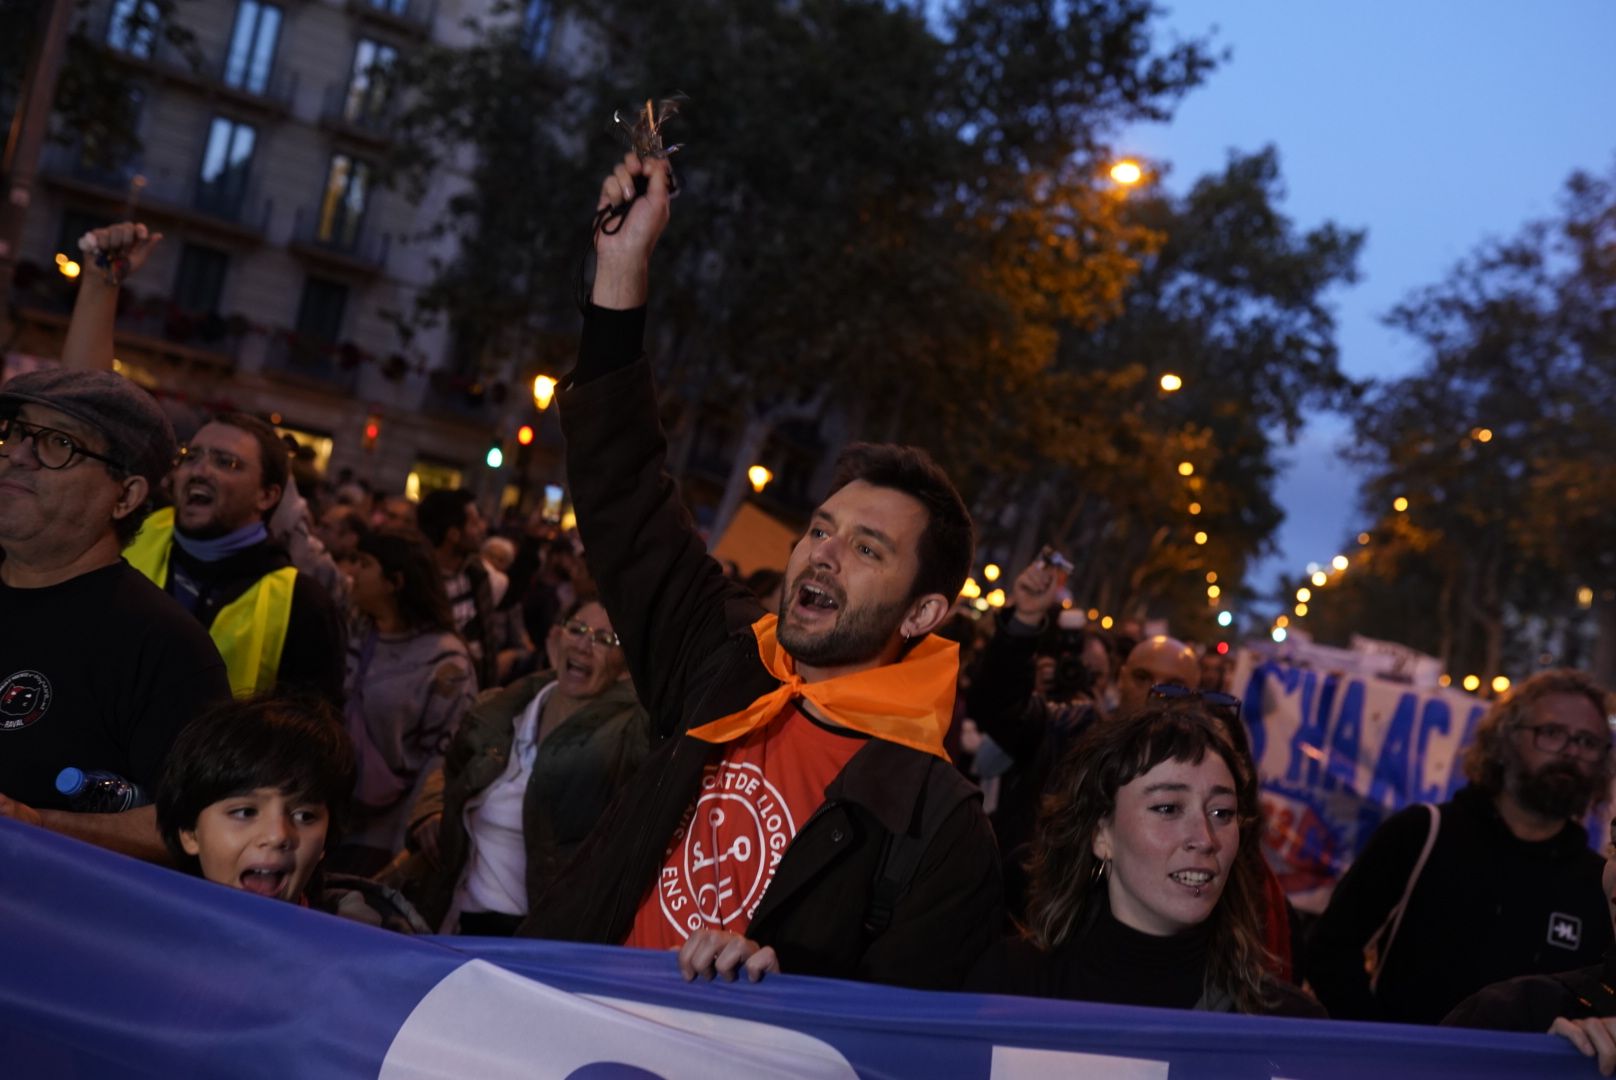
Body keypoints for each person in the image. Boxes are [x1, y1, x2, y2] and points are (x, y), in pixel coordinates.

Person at [519, 150, 1001, 990]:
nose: (823, 552)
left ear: (923, 615)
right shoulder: (724, 655)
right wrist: (621, 267)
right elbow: (621, 483)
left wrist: (787, 996)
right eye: (822, 528)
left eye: (866, 549)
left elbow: (900, 1039)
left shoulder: (937, 821)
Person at [0, 369, 231, 860]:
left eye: (59, 443)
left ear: (125, 496)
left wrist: (35, 824)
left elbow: (195, 826)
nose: (17, 454)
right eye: (17, 432)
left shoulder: (164, 647)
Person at [1307, 669, 1615, 1024]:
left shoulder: (1599, 882)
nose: (1570, 753)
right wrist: (1385, 1046)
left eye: (1588, 742)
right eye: (1552, 733)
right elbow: (1329, 951)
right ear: (1505, 740)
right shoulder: (1422, 834)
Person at [967, 706, 1318, 1016]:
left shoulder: (1287, 1027)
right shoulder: (1007, 988)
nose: (1204, 838)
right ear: (1101, 834)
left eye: (1222, 812)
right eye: (1167, 808)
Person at [391, 594, 651, 934]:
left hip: (529, 940)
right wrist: (431, 808)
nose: (586, 646)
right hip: (450, 916)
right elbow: (452, 766)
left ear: (624, 669)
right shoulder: (500, 708)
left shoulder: (627, 739)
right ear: (554, 639)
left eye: (605, 640)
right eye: (578, 630)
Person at [124, 412, 347, 703]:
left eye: (225, 462)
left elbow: (309, 733)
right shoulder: (129, 532)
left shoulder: (303, 605)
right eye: (191, 456)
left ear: (266, 496)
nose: (199, 471)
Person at [154, 696, 428, 931]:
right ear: (190, 833)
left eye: (304, 816)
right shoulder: (139, 943)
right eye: (245, 812)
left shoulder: (376, 954)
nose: (277, 835)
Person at [332, 528, 477, 875]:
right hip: (331, 809)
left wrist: (408, 837)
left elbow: (442, 752)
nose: (352, 572)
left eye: (365, 564)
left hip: (382, 832)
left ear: (394, 582)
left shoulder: (446, 662)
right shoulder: (352, 627)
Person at [418, 489, 500, 689]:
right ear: (453, 534)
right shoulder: (419, 579)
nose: (482, 528)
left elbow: (487, 640)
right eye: (474, 523)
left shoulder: (476, 575)